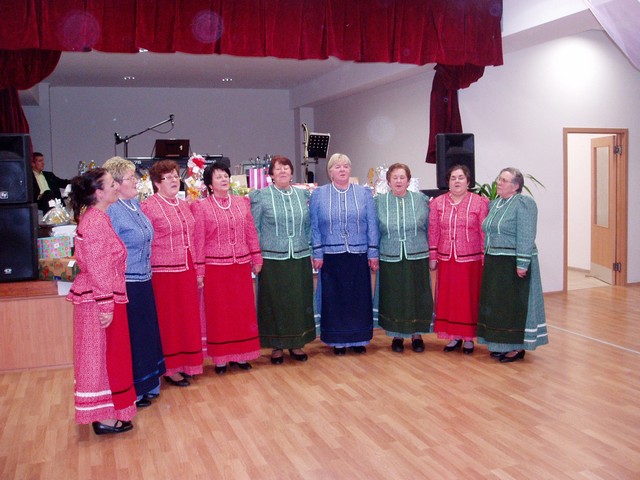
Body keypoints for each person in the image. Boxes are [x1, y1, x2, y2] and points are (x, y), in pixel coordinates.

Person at [66, 168, 136, 435]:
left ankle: (107, 412)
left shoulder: (97, 218)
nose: (117, 187)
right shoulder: (95, 222)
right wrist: (106, 304)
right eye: (111, 184)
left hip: (102, 295)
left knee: (104, 356)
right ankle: (103, 417)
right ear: (99, 193)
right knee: (99, 357)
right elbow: (98, 267)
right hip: (98, 299)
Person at [103, 157, 166, 408]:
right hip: (127, 282)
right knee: (135, 337)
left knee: (147, 334)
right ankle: (136, 389)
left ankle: (150, 383)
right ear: (117, 184)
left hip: (144, 279)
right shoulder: (113, 211)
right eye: (131, 178)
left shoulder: (134, 205)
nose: (136, 182)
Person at [192, 163, 263, 373]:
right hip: (215, 269)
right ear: (209, 184)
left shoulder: (242, 202)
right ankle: (221, 359)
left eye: (225, 176)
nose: (224, 179)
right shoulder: (201, 207)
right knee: (220, 314)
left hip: (240, 266)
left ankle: (242, 355)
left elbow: (251, 231)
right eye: (218, 177)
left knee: (242, 312)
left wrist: (256, 257)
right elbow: (199, 241)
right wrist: (199, 271)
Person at [141, 160, 203, 386]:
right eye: (168, 177)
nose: (174, 180)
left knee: (187, 319)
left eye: (176, 176)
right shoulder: (148, 206)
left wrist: (198, 269)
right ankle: (170, 368)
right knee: (170, 321)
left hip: (186, 269)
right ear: (157, 183)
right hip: (163, 273)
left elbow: (194, 238)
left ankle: (187, 363)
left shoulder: (184, 204)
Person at [477, 167, 549, 362]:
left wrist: (522, 263)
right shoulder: (496, 204)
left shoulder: (524, 204)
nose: (498, 183)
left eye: (504, 180)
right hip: (496, 264)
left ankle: (517, 347)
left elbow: (526, 234)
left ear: (516, 186)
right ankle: (502, 344)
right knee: (500, 306)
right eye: (499, 179)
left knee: (515, 306)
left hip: (513, 264)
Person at [310, 153, 379, 355]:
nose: (342, 170)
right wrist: (317, 252)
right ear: (330, 171)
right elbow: (314, 225)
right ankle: (337, 341)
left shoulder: (364, 193)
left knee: (358, 299)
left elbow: (372, 223)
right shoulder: (319, 194)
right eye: (337, 166)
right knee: (334, 299)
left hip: (358, 253)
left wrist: (373, 251)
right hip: (331, 255)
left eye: (346, 166)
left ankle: (359, 339)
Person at [249, 155, 316, 364]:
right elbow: (255, 228)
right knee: (274, 303)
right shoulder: (261, 196)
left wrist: (310, 249)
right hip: (272, 259)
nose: (283, 171)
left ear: (292, 172)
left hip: (299, 256)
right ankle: (276, 346)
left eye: (286, 168)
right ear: (271, 174)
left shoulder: (303, 195)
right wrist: (256, 256)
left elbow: (309, 226)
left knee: (298, 301)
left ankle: (297, 343)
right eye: (278, 169)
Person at [429, 165, 488, 354]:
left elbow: (484, 232)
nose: (456, 181)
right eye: (453, 178)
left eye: (461, 177)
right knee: (449, 300)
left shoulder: (479, 203)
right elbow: (433, 230)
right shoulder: (437, 203)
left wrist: (485, 257)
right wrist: (433, 255)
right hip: (446, 259)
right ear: (448, 182)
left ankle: (468, 339)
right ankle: (453, 337)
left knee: (467, 300)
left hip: (471, 261)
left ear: (468, 182)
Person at [375, 163, 433, 353]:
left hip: (417, 255)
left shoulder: (421, 200)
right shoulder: (379, 202)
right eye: (395, 177)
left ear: (408, 181)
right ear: (388, 181)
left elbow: (430, 228)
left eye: (402, 177)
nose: (398, 181)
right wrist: (372, 254)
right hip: (390, 256)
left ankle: (417, 335)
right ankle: (397, 335)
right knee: (395, 297)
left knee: (418, 296)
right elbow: (374, 230)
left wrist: (433, 253)